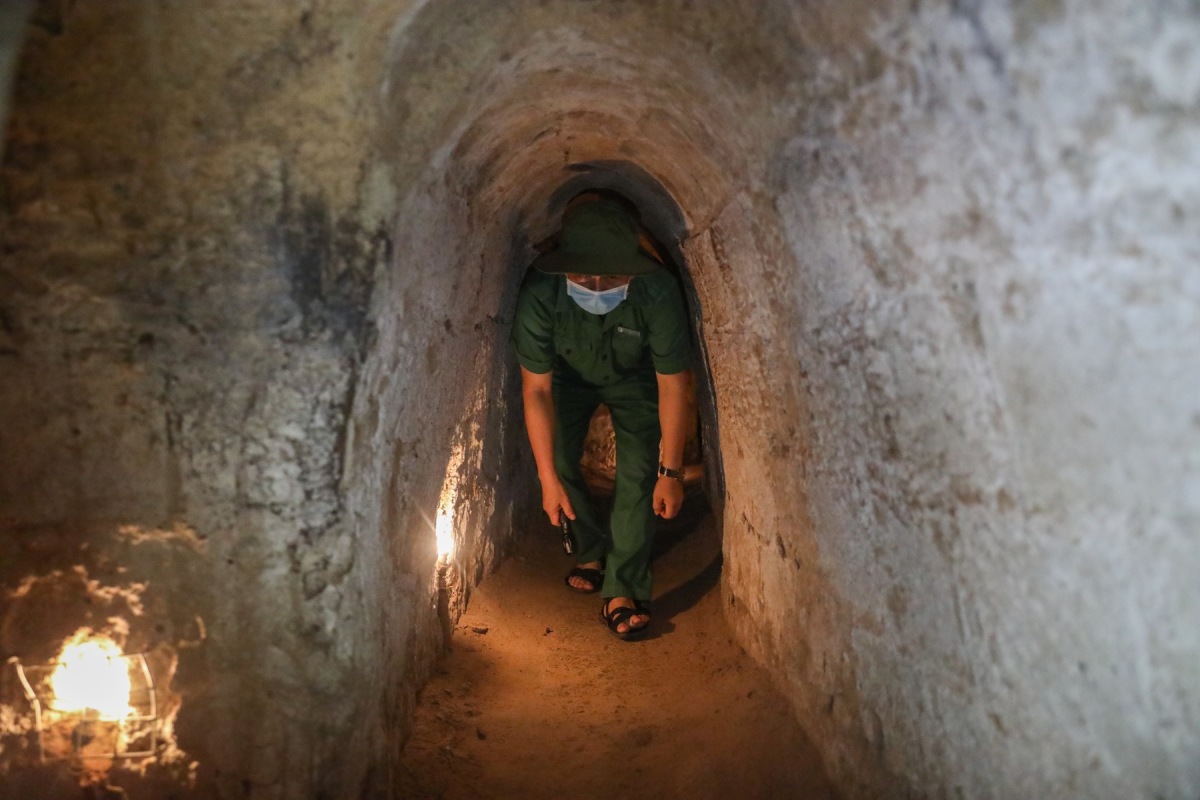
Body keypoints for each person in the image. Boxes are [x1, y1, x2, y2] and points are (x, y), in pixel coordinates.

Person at [511, 191, 693, 640]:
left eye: (611, 276)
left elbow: (674, 383)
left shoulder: (657, 290)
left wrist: (671, 469)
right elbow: (536, 390)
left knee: (638, 471)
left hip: (636, 377)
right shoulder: (541, 291)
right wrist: (547, 479)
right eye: (583, 275)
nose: (595, 286)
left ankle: (623, 586)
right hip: (566, 378)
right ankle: (590, 549)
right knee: (558, 456)